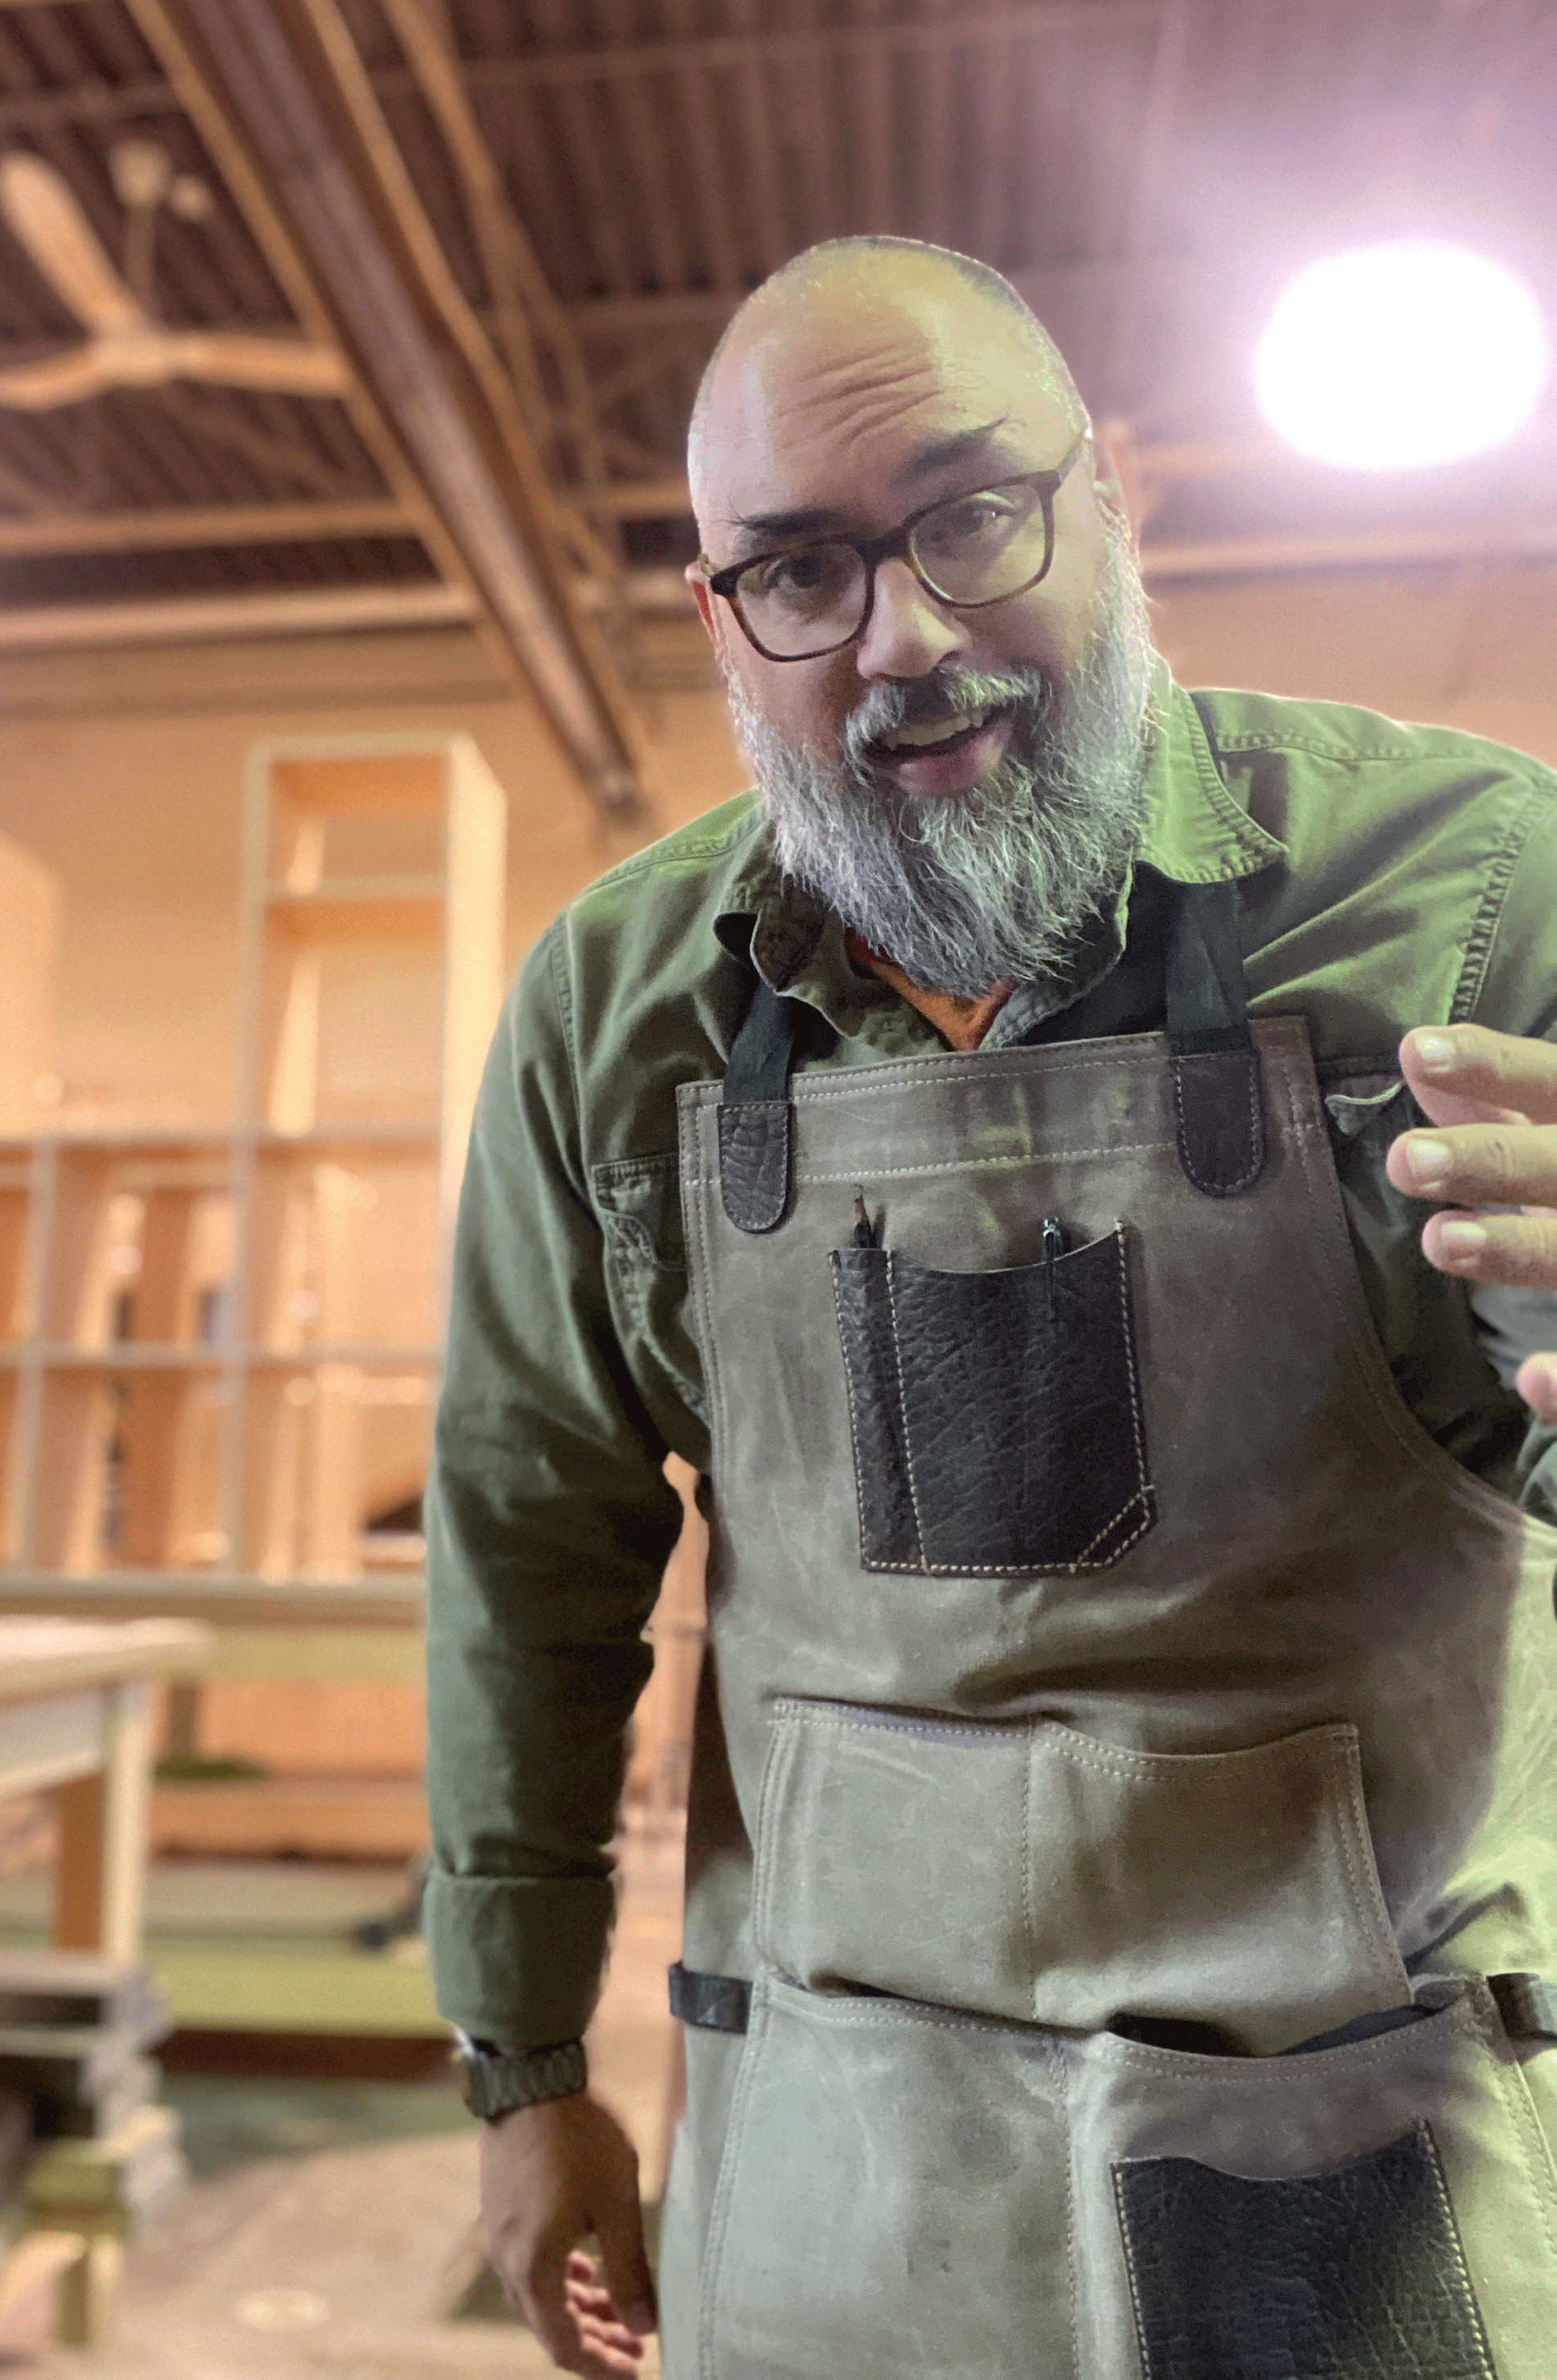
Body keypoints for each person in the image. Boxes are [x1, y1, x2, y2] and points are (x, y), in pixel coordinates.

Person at [425, 237, 1557, 2380]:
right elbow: (526, 1556)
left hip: (1353, 2159)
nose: (905, 638)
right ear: (720, 620)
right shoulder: (614, 1009)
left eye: (969, 519)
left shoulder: (1477, 892)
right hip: (836, 2160)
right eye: (801, 573)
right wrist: (521, 2063)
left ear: (1108, 492)